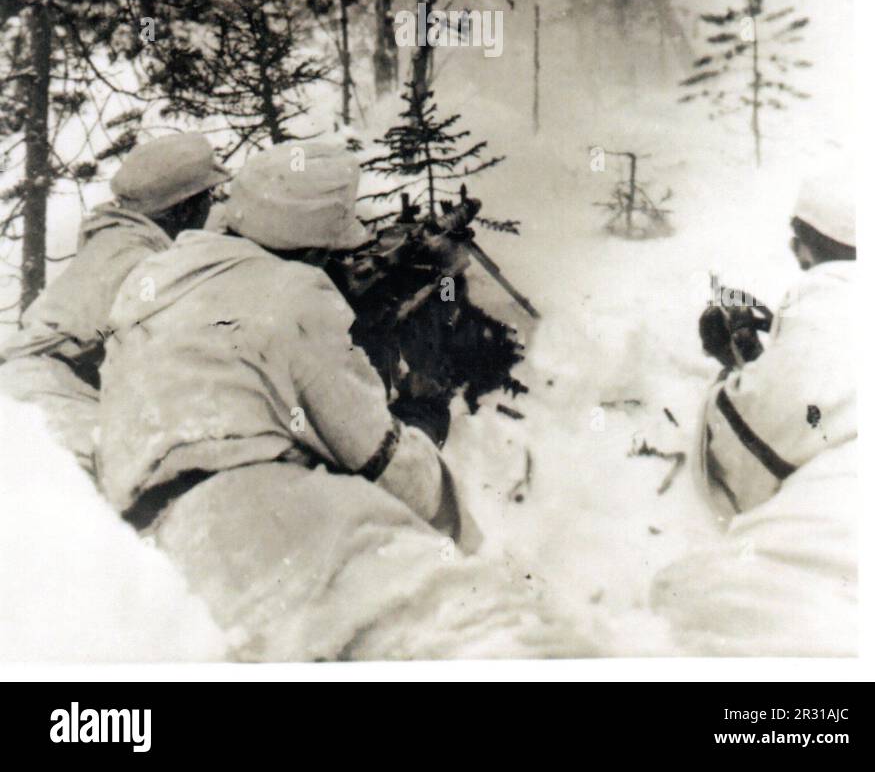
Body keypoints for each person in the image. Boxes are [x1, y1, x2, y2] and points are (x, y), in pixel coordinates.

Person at [99, 139, 595, 660]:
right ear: (314, 246)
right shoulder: (295, 293)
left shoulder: (152, 276)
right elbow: (381, 460)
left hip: (144, 541)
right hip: (264, 515)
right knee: (487, 632)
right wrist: (426, 423)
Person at [652, 162, 857, 655]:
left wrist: (734, 366)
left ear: (806, 244)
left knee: (688, 607)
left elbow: (751, 444)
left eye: (798, 238)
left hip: (846, 515)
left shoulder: (829, 296)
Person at [0, 133, 228, 475]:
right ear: (185, 207)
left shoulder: (117, 237)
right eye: (208, 197)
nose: (212, 207)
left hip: (30, 380)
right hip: (54, 398)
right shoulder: (146, 262)